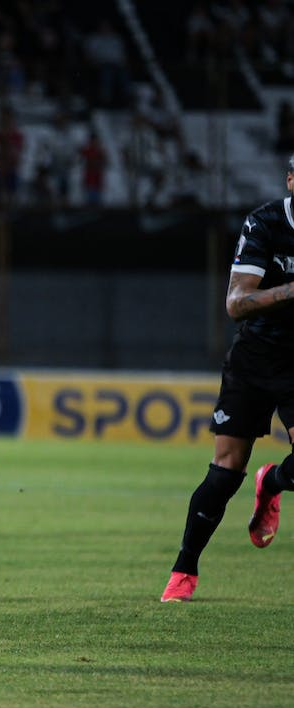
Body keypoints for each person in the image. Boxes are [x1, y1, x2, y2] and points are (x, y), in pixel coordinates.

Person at [160, 154, 294, 603]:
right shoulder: (265, 224)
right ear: (291, 180)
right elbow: (236, 303)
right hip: (256, 356)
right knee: (226, 471)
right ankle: (184, 569)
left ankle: (272, 482)